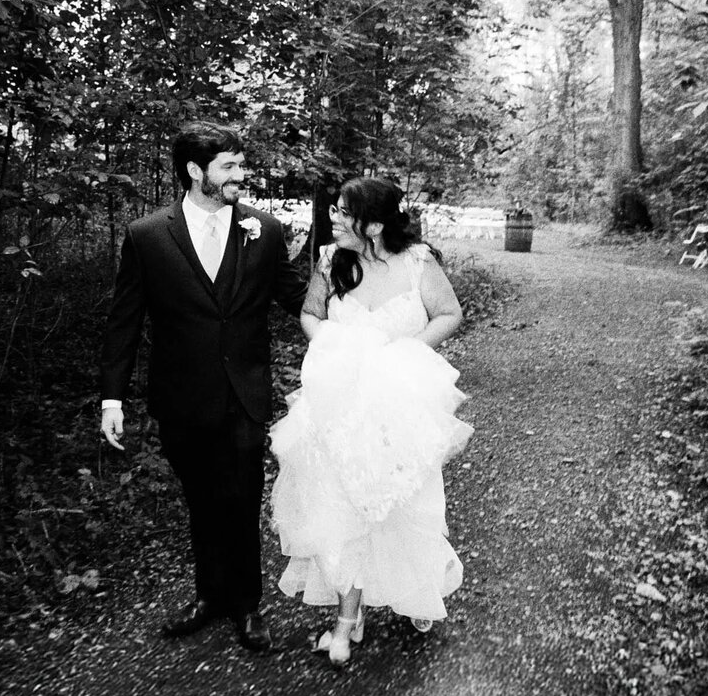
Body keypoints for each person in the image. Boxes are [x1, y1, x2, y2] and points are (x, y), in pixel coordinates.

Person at [99, 121, 307, 651]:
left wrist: (357, 290)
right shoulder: (147, 236)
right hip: (182, 396)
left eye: (241, 164)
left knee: (239, 498)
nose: (242, 175)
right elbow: (125, 320)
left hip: (244, 392)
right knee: (200, 500)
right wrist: (112, 397)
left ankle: (248, 606)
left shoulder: (265, 230)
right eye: (229, 167)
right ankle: (209, 595)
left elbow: (295, 298)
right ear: (195, 172)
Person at [270, 176, 472, 667]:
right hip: (340, 402)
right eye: (335, 210)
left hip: (399, 402)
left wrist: (402, 352)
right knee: (341, 503)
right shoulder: (327, 261)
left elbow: (449, 314)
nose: (334, 218)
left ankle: (412, 593)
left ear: (375, 225)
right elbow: (310, 315)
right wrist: (336, 347)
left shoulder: (419, 262)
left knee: (403, 503)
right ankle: (347, 617)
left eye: (343, 212)